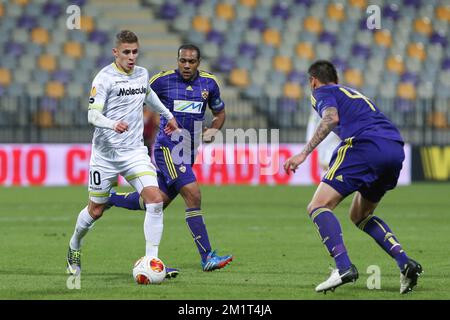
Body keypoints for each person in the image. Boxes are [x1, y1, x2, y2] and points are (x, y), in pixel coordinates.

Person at [284, 60, 423, 294]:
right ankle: (405, 263)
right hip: (395, 149)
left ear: (313, 81)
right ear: (337, 80)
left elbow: (331, 118)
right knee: (360, 214)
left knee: (318, 206)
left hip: (364, 146)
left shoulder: (321, 92)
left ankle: (343, 267)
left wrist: (304, 153)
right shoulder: (352, 93)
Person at [108, 44, 233, 272]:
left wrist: (213, 130)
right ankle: (207, 257)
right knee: (193, 195)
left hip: (189, 151)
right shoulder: (161, 81)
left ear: (198, 62)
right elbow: (136, 100)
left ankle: (108, 198)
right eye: (182, 61)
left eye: (191, 61)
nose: (186, 65)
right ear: (177, 60)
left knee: (156, 201)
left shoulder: (209, 84)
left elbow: (220, 113)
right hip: (168, 149)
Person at [66, 30, 179, 277]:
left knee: (155, 200)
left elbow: (150, 96)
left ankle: (152, 261)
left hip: (134, 152)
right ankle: (74, 245)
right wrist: (111, 124)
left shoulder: (141, 74)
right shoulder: (104, 78)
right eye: (126, 52)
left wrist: (169, 117)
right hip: (105, 155)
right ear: (115, 52)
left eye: (135, 52)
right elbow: (92, 115)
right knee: (95, 210)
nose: (131, 57)